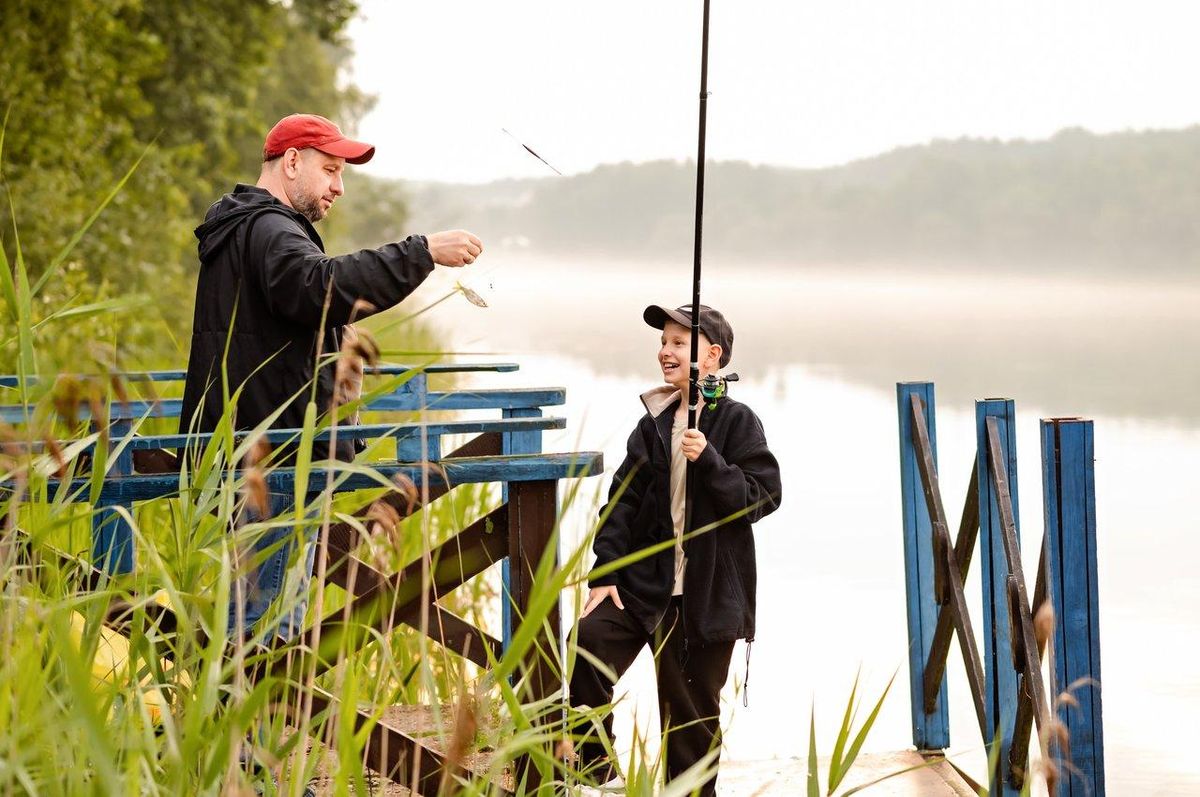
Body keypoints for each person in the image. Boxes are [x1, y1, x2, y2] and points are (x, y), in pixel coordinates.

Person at [180, 112, 482, 639]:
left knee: (266, 612)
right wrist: (422, 252)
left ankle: (254, 719)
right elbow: (320, 286)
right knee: (264, 623)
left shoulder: (239, 227)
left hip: (253, 448)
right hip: (273, 459)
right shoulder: (270, 228)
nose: (339, 187)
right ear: (292, 161)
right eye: (331, 170)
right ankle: (250, 721)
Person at [569, 304, 782, 796]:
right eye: (663, 341)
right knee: (588, 644)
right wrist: (605, 572)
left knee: (690, 718)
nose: (665, 351)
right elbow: (620, 504)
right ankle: (595, 771)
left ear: (711, 356)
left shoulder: (737, 421)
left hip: (707, 598)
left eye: (678, 343)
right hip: (643, 588)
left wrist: (709, 460)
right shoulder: (653, 424)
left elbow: (763, 498)